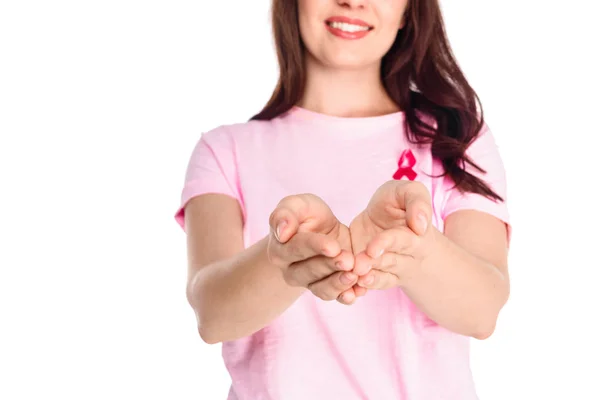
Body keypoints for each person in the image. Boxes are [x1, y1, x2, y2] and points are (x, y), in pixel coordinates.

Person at [174, 0, 511, 398]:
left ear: (408, 11)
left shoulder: (457, 140)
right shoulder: (224, 151)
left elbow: (483, 311)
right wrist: (282, 259)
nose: (354, 1)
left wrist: (417, 249)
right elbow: (211, 315)